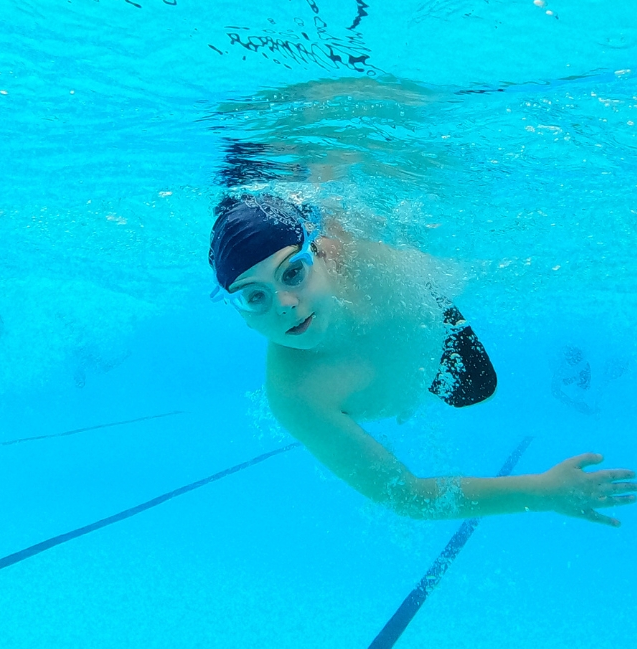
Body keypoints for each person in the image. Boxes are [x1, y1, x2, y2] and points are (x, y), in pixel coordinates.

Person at [210, 194, 636, 526]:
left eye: (292, 272)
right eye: (254, 297)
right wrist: (543, 491)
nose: (284, 303)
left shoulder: (365, 257)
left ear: (319, 254)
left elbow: (461, 270)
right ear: (240, 314)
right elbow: (407, 496)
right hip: (398, 369)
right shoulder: (295, 395)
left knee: (479, 390)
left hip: (428, 329)